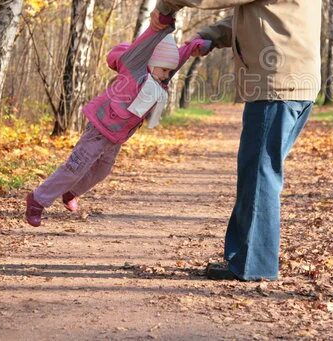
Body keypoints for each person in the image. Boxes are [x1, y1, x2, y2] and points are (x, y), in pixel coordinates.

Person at [151, 0, 322, 281]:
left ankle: (253, 266)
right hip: (289, 83)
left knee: (260, 173)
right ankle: (243, 259)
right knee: (255, 171)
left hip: (278, 85)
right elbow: (262, 16)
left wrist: (169, 1)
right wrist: (212, 35)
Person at [25, 17, 210, 226]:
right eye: (165, 70)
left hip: (117, 136)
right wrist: (160, 25)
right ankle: (38, 200)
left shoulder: (159, 76)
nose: (167, 76)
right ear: (151, 64)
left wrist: (195, 46)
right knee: (76, 166)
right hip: (100, 127)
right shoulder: (135, 68)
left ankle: (70, 192)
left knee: (102, 171)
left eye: (169, 71)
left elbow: (179, 57)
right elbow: (144, 44)